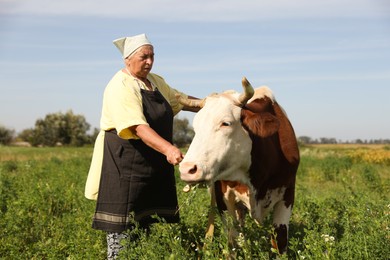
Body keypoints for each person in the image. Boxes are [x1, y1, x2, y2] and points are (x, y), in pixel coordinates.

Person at [84, 33, 199, 259]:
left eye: (152, 56)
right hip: (124, 165)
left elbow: (182, 100)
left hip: (150, 166)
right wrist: (169, 149)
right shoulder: (120, 85)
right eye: (144, 57)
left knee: (145, 228)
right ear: (128, 59)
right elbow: (137, 127)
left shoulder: (155, 81)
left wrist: (212, 103)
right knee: (122, 237)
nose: (149, 61)